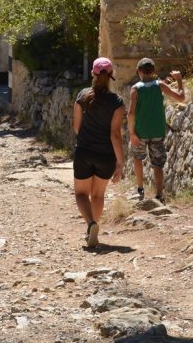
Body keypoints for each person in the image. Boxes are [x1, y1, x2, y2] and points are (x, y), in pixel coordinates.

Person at [72, 57, 125, 248]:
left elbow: (76, 127)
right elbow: (115, 135)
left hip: (84, 151)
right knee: (98, 195)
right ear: (111, 75)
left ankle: (91, 225)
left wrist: (87, 140)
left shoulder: (82, 96)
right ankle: (93, 228)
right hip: (106, 155)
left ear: (93, 73)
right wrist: (120, 163)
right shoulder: (117, 102)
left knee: (80, 194)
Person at [128, 57, 185, 203]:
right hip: (157, 132)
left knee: (138, 159)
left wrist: (132, 133)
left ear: (138, 71)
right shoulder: (160, 85)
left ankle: (140, 190)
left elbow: (131, 113)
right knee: (157, 164)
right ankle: (159, 195)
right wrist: (179, 79)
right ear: (153, 71)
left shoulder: (135, 89)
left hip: (140, 132)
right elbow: (181, 97)